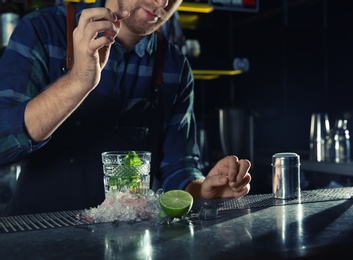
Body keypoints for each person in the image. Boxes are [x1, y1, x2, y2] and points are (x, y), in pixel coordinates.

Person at [0, 0, 251, 216]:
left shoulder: (174, 68)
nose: (162, 3)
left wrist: (204, 190)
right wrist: (77, 82)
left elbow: (179, 167)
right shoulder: (43, 31)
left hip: (122, 243)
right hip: (37, 237)